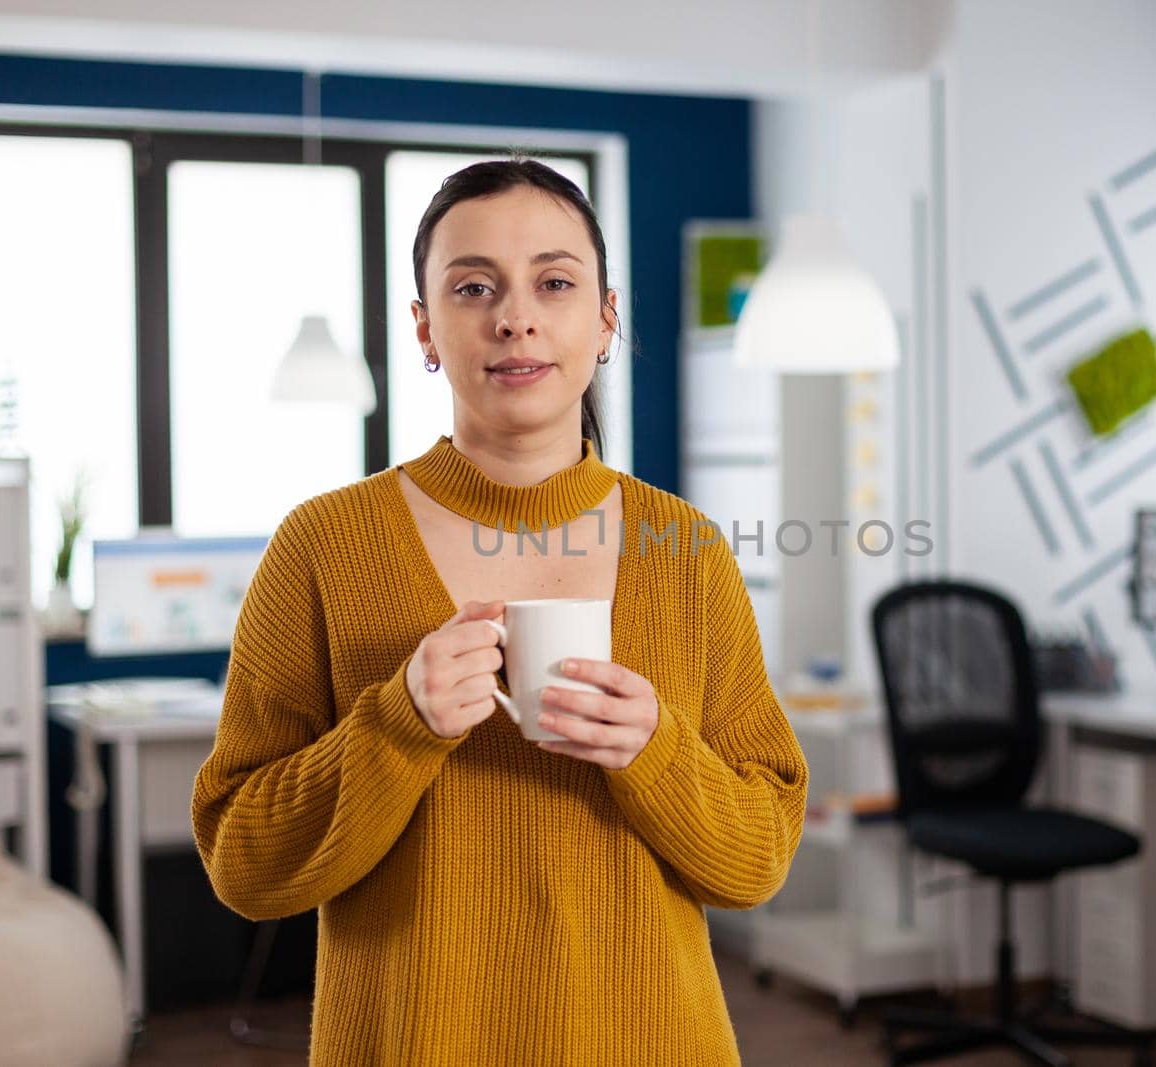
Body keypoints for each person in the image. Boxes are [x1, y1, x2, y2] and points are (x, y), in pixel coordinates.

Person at [191, 158, 808, 1066]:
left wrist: (655, 751)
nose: (515, 315)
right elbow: (245, 865)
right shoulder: (322, 545)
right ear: (425, 328)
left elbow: (756, 860)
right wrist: (398, 724)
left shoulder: (689, 551)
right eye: (473, 286)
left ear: (606, 319)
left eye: (554, 282)